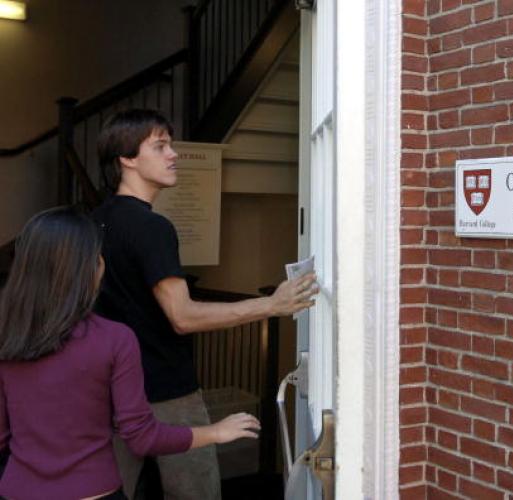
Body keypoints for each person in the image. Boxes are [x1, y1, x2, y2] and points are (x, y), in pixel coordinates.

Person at [92, 109, 317, 499]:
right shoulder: (151, 227)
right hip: (166, 389)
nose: (173, 153)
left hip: (110, 387)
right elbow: (183, 316)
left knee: (111, 491)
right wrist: (271, 305)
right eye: (160, 146)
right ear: (127, 159)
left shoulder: (94, 221)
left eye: (170, 144)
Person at [0, 206, 261, 500]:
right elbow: (141, 437)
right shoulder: (114, 339)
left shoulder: (7, 338)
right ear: (88, 268)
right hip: (92, 492)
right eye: (97, 257)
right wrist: (215, 432)